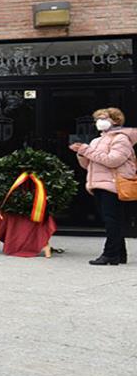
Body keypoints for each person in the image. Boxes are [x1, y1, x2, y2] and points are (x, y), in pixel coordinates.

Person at [71, 107, 137, 266]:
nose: (99, 122)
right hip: (98, 184)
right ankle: (119, 254)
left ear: (115, 120)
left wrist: (86, 150)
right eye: (97, 119)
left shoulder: (121, 139)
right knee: (112, 221)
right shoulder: (96, 140)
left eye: (104, 118)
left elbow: (113, 160)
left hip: (113, 185)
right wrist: (81, 153)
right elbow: (89, 165)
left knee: (112, 221)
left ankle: (109, 254)